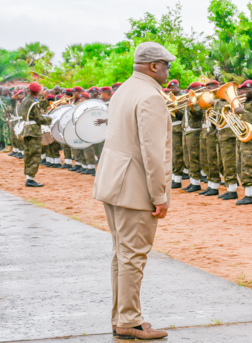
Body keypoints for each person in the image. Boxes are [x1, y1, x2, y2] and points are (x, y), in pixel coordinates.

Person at [93, 41, 173, 340]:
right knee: (133, 257)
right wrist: (160, 195)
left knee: (122, 255)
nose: (167, 71)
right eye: (166, 65)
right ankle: (130, 321)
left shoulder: (124, 90)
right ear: (154, 65)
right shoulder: (150, 96)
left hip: (114, 182)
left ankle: (122, 317)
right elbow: (153, 153)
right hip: (135, 187)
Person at [21, 82, 52, 187]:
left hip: (26, 129)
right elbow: (39, 119)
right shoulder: (34, 103)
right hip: (34, 131)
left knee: (28, 154)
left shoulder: (25, 100)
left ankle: (28, 176)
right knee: (34, 154)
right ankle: (30, 178)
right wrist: (50, 119)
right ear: (37, 92)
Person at [234, 80, 252, 205]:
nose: (244, 92)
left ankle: (250, 195)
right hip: (241, 138)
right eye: (242, 90)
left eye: (247, 90)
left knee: (247, 166)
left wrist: (242, 112)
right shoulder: (243, 103)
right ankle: (247, 193)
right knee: (240, 166)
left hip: (251, 138)